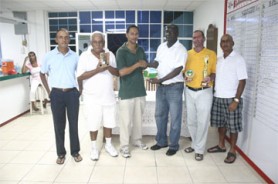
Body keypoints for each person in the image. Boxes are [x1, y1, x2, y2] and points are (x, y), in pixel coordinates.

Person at [40, 28, 82, 164]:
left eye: (66, 37)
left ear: (69, 39)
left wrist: (79, 90)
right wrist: (49, 91)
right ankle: (61, 153)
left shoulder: (75, 56)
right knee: (59, 125)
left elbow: (81, 75)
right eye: (60, 37)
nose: (64, 40)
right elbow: (42, 73)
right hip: (56, 94)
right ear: (56, 40)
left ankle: (75, 151)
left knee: (74, 124)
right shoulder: (49, 56)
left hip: (72, 94)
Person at [77, 31, 119, 161]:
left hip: (108, 96)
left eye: (100, 41)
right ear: (91, 43)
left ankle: (109, 145)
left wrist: (107, 67)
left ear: (104, 43)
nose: (98, 44)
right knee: (93, 123)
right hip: (92, 98)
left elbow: (116, 72)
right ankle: (94, 147)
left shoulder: (109, 54)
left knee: (109, 122)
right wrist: (97, 69)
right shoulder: (84, 56)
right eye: (95, 42)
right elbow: (80, 76)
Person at [207, 34, 247, 164]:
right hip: (218, 97)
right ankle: (221, 145)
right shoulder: (218, 60)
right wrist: (209, 78)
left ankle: (232, 150)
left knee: (233, 127)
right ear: (220, 45)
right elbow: (215, 75)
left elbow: (242, 81)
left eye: (227, 41)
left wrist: (236, 100)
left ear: (232, 43)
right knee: (221, 125)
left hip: (231, 99)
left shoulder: (238, 59)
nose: (225, 44)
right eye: (222, 42)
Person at [148, 24, 187, 156]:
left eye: (171, 31)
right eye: (166, 31)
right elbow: (157, 62)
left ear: (177, 33)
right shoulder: (161, 46)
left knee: (175, 118)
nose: (168, 33)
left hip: (175, 87)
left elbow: (178, 69)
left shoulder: (181, 49)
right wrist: (148, 67)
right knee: (159, 116)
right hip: (161, 88)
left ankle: (174, 145)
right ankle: (161, 142)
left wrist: (160, 80)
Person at [183, 30, 217, 161]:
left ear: (203, 39)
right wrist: (185, 77)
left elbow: (214, 72)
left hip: (205, 91)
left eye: (198, 37)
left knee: (203, 121)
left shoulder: (211, 54)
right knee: (191, 121)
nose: (196, 39)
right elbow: (183, 72)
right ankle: (194, 144)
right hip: (189, 90)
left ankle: (199, 149)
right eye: (194, 37)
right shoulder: (187, 54)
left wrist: (210, 77)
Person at [116, 25, 149, 158]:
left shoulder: (140, 50)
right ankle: (124, 147)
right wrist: (137, 64)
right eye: (132, 34)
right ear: (127, 35)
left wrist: (146, 66)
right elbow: (122, 72)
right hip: (126, 93)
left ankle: (137, 141)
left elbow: (144, 66)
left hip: (140, 91)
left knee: (137, 120)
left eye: (136, 34)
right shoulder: (121, 51)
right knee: (126, 122)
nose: (134, 36)